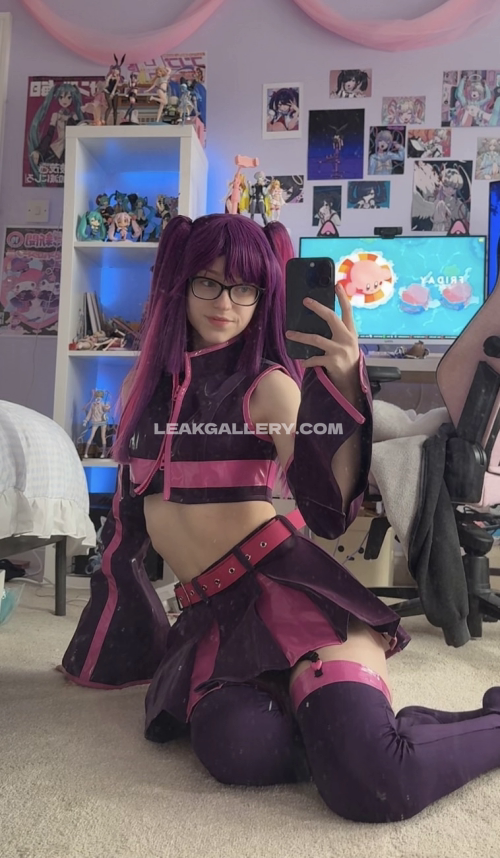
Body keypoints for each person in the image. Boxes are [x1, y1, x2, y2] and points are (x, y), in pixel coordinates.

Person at [60, 214, 500, 824]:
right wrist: (105, 644)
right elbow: (128, 523)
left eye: (245, 288)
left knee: (374, 780)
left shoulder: (267, 386)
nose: (226, 303)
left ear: (264, 294)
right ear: (179, 284)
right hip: (213, 615)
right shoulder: (142, 386)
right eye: (208, 282)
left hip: (290, 591)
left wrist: (344, 383)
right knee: (239, 748)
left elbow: (327, 510)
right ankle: (342, 720)